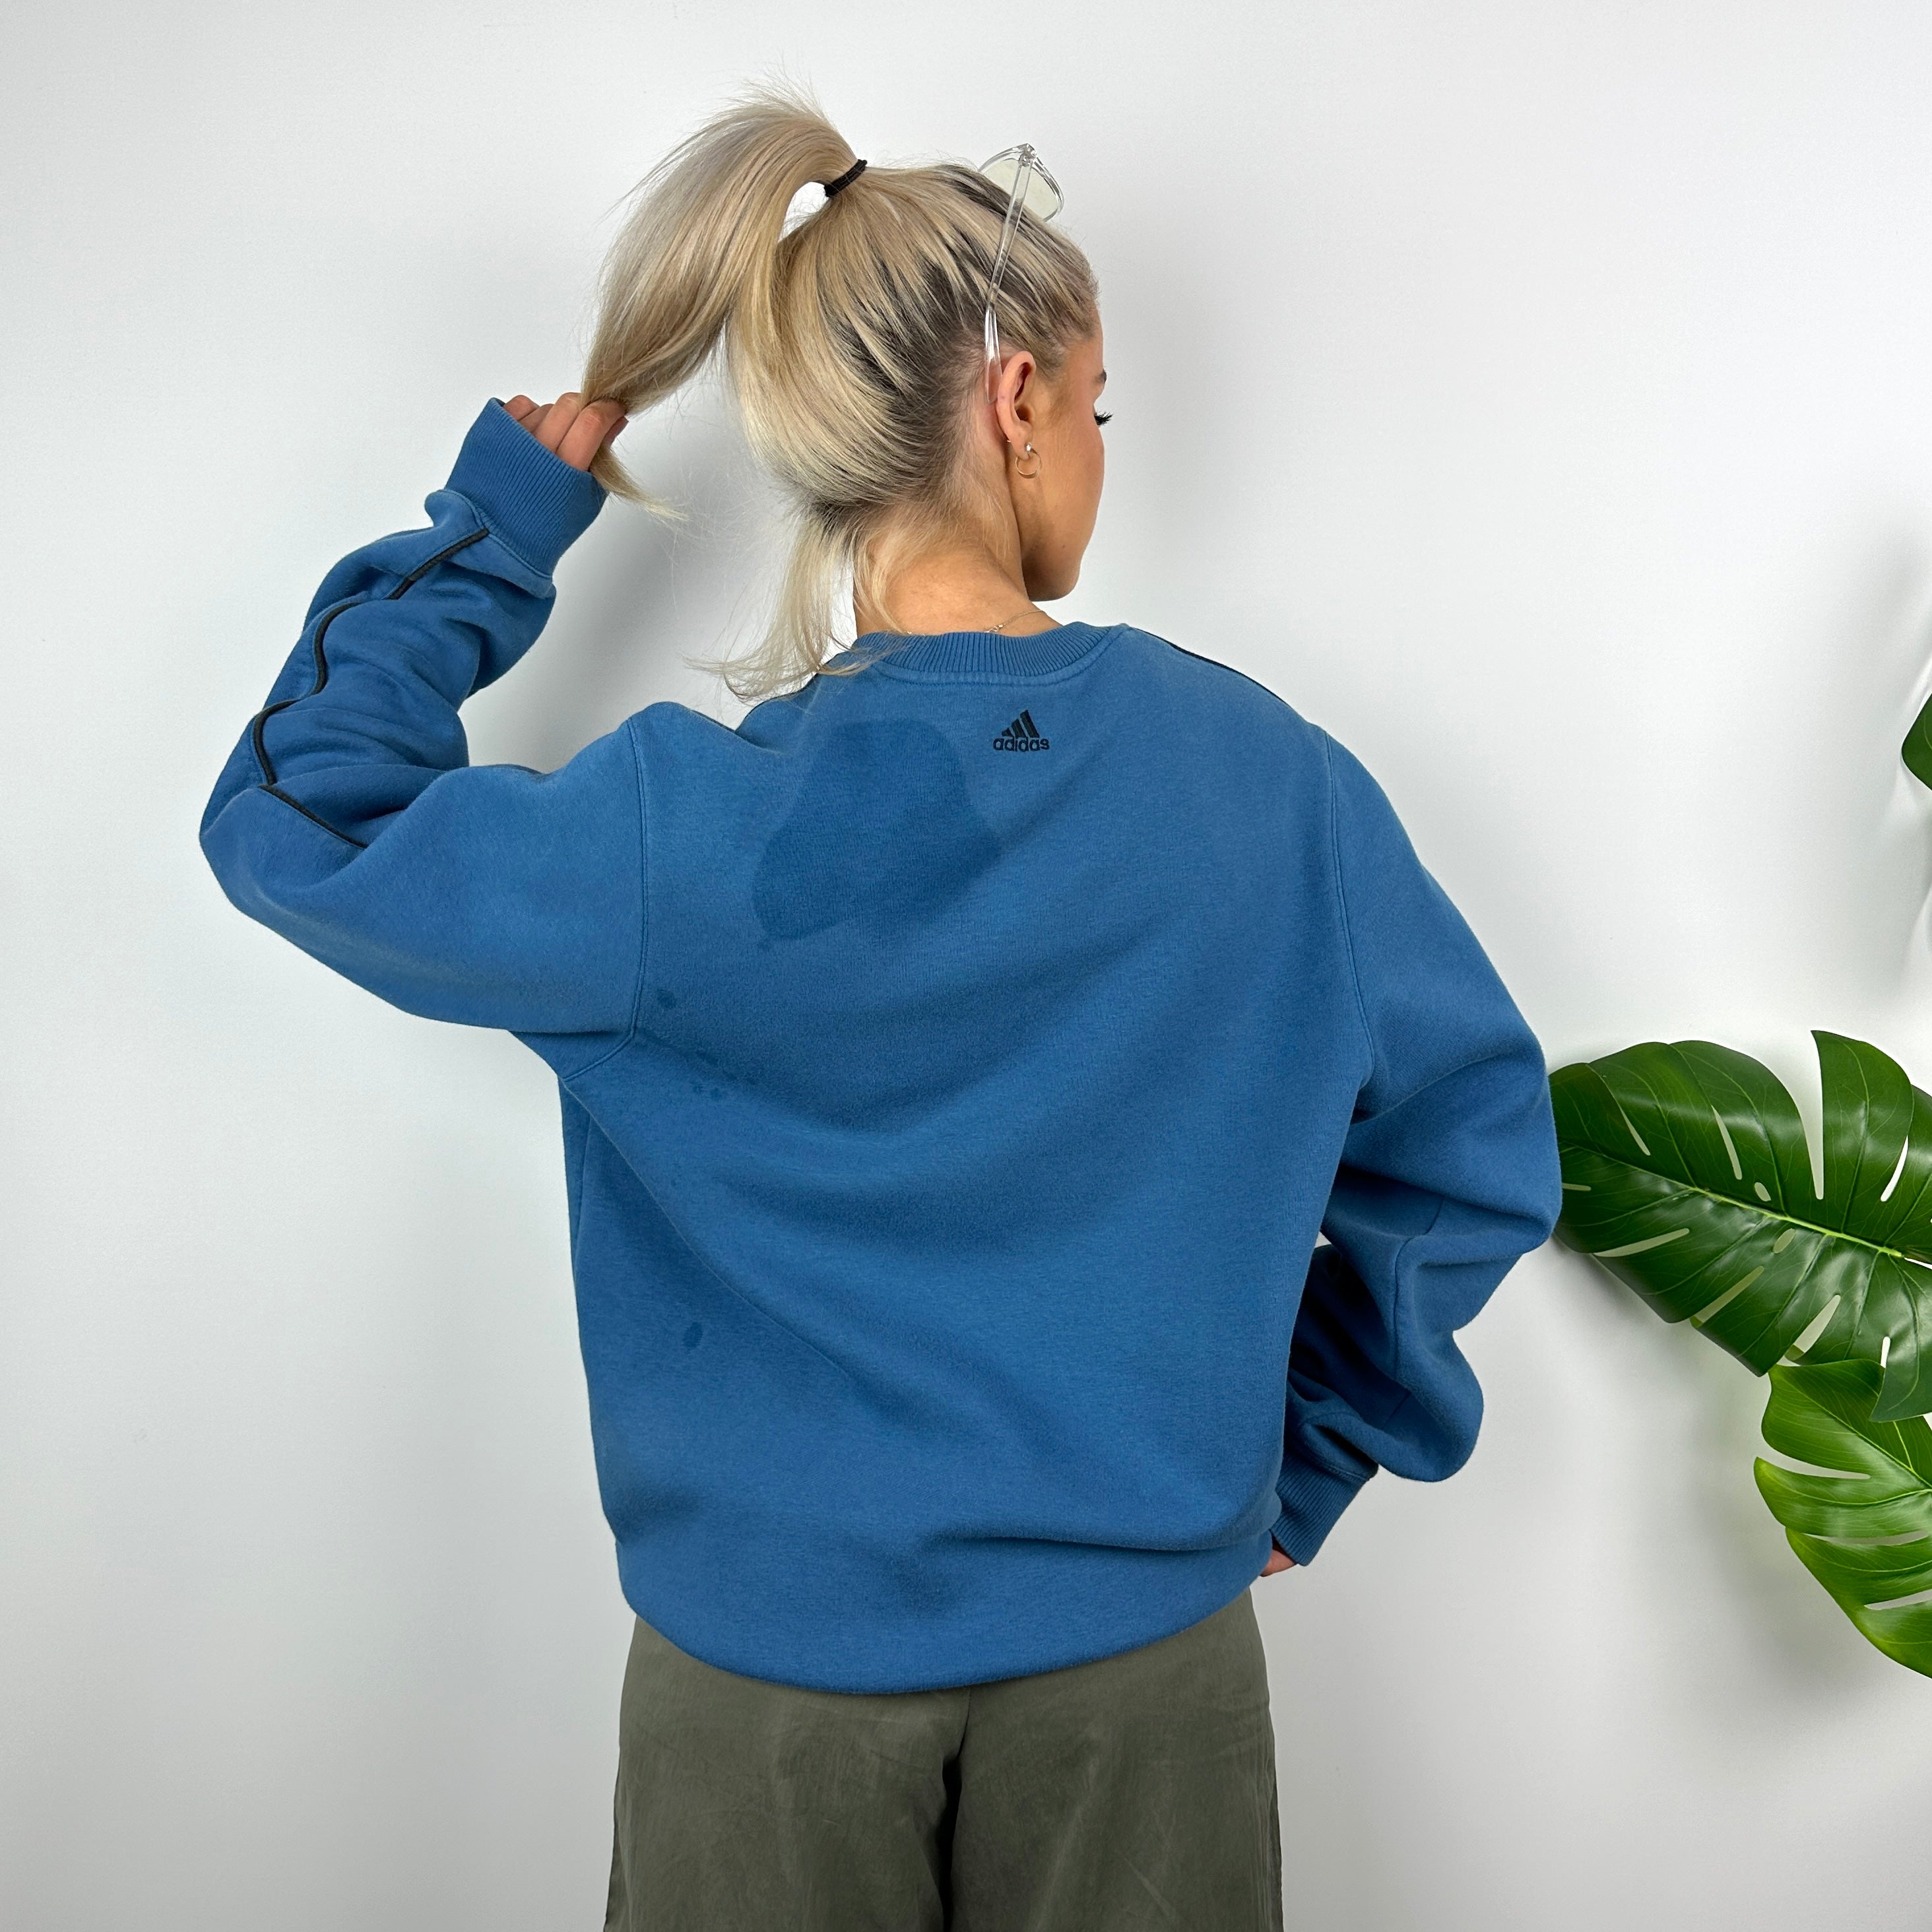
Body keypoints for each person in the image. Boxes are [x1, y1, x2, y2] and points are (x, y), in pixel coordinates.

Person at [200, 82, 1561, 1932]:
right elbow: (1476, 1155)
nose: (1095, 446)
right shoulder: (1267, 787)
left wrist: (504, 521)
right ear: (1017, 404)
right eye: (1096, 407)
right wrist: (1294, 1466)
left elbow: (297, 817)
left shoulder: (681, 835)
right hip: (1142, 1684)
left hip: (762, 1704)